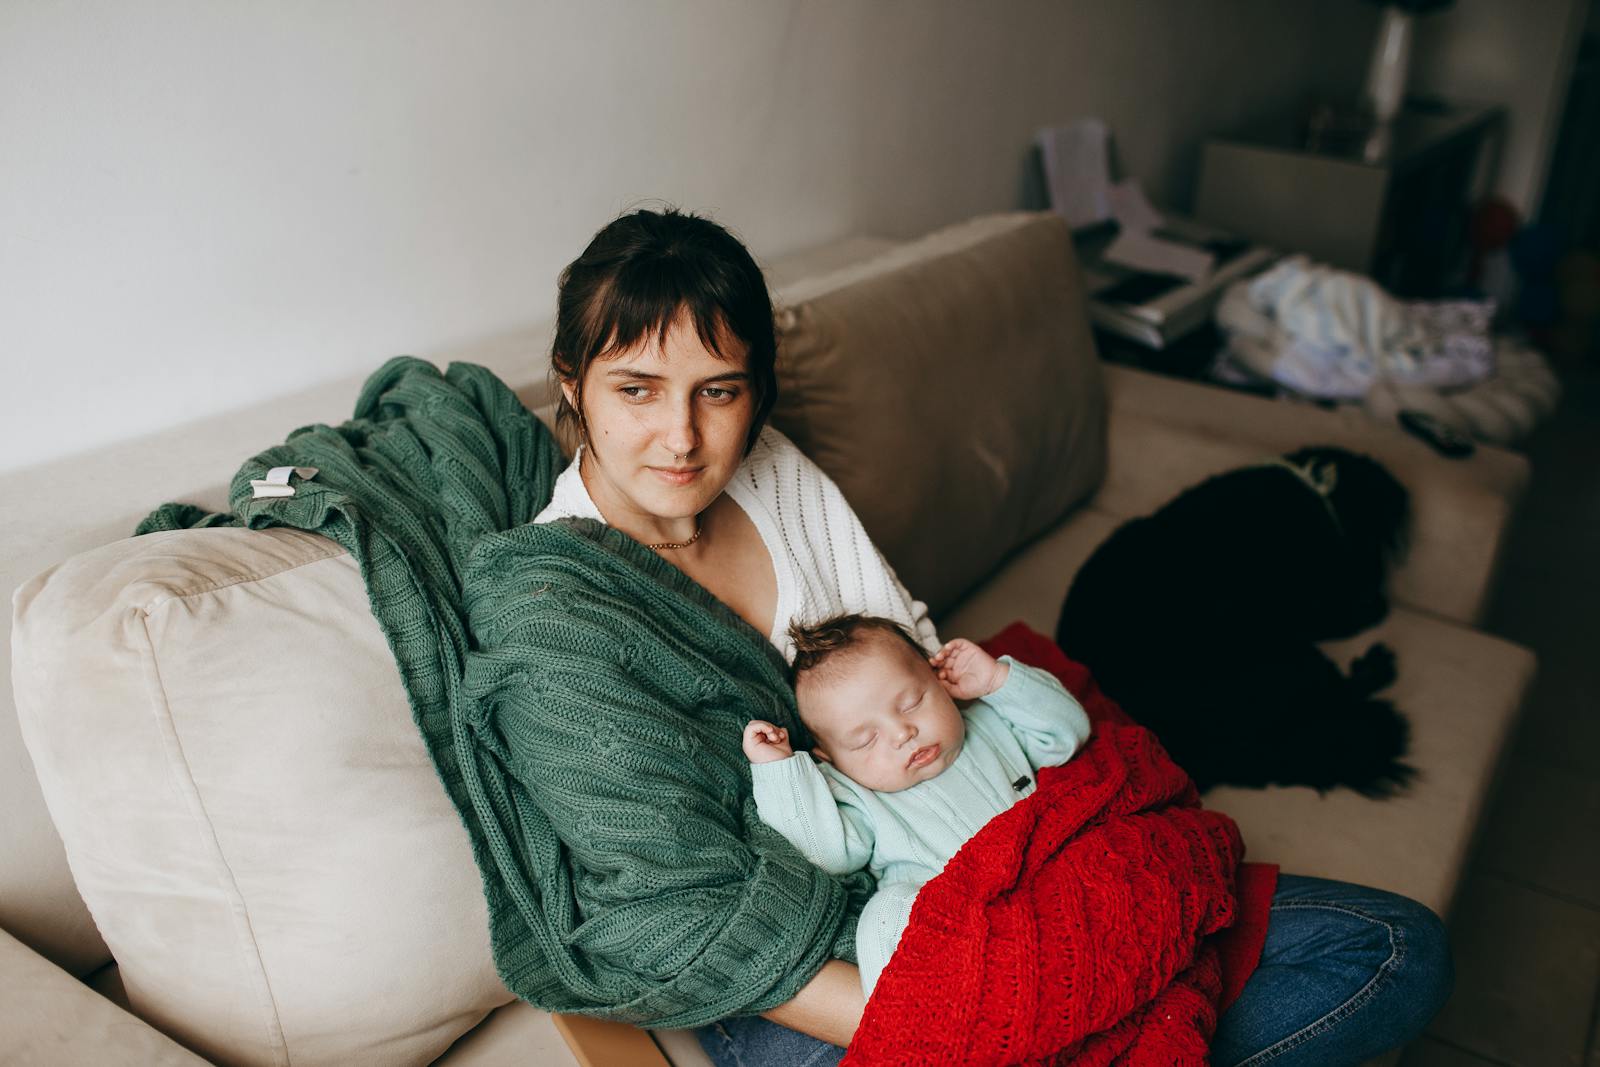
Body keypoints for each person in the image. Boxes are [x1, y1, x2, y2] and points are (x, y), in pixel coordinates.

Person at [535, 206, 1454, 1067]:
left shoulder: (774, 471)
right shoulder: (566, 606)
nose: (682, 436)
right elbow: (684, 913)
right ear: (573, 385)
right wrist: (977, 1015)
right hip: (811, 968)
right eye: (638, 389)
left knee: (1396, 950)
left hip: (1002, 858)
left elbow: (918, 659)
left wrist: (1069, 948)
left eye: (719, 391)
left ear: (756, 392)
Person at [744, 616, 1092, 995]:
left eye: (911, 703)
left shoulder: (991, 724)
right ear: (829, 759)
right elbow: (821, 853)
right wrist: (779, 771)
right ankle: (911, 1009)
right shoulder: (860, 795)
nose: (902, 733)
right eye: (864, 740)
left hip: (1051, 879)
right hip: (958, 920)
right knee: (882, 916)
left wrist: (997, 681)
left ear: (939, 680)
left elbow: (1066, 735)